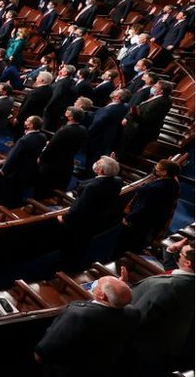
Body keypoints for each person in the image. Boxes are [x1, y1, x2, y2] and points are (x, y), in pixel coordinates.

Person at [34, 276, 140, 376]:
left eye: (97, 285)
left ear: (102, 295)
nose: (94, 285)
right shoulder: (133, 313)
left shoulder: (77, 315)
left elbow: (44, 352)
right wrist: (119, 290)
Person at [121, 240, 194, 377]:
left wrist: (120, 295)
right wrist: (170, 253)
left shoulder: (165, 288)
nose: (178, 253)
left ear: (188, 263)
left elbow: (136, 318)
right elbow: (181, 277)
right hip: (173, 345)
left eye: (181, 253)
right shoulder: (185, 282)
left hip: (139, 351)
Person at [58, 156, 125, 271]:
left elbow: (80, 208)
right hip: (97, 220)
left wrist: (65, 218)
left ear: (101, 170)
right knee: (83, 244)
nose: (95, 164)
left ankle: (66, 269)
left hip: (80, 223)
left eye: (98, 163)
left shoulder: (92, 187)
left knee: (71, 248)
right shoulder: (118, 181)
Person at [115, 157, 181, 255]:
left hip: (138, 221)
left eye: (157, 167)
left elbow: (144, 207)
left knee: (124, 244)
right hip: (152, 221)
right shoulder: (174, 184)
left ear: (164, 173)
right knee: (138, 241)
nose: (155, 168)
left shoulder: (156, 188)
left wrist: (129, 218)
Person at [37, 106, 87, 196]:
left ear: (71, 117)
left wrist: (41, 158)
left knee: (43, 187)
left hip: (52, 164)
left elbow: (51, 148)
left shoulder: (64, 130)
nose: (64, 114)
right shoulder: (82, 129)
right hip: (67, 162)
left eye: (67, 113)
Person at [120, 79, 172, 156]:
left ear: (161, 91)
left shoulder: (159, 102)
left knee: (128, 152)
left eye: (155, 86)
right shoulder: (161, 98)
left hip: (139, 132)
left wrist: (133, 114)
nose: (152, 87)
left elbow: (146, 119)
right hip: (138, 129)